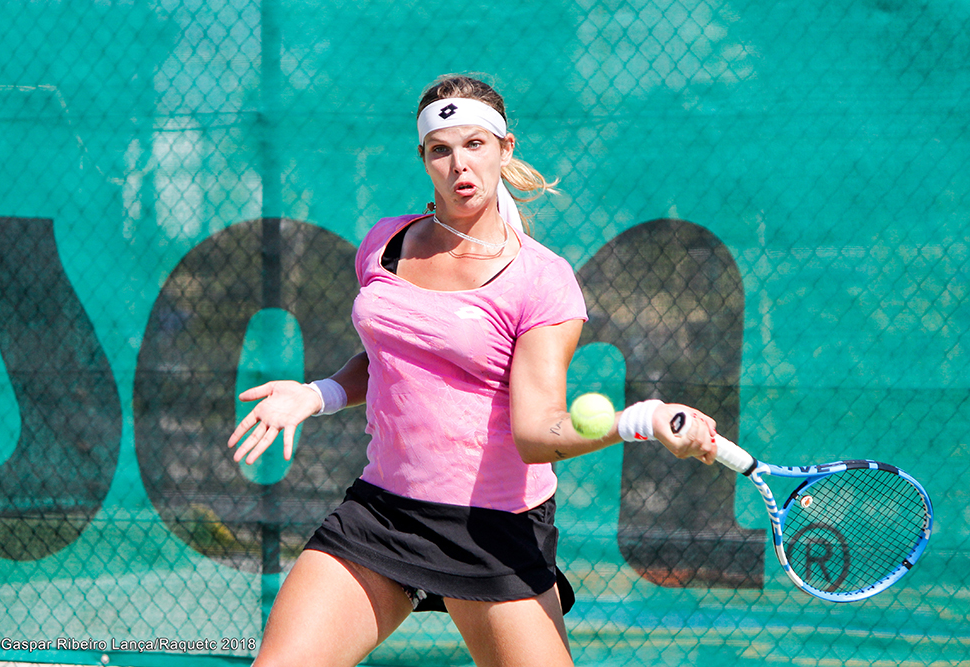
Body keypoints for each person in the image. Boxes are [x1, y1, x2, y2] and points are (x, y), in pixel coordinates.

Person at [227, 74, 719, 667]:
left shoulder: (542, 280)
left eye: (475, 144)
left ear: (505, 149)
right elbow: (393, 358)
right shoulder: (384, 243)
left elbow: (536, 434)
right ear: (424, 158)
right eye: (441, 149)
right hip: (383, 512)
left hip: (492, 530)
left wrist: (640, 420)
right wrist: (319, 394)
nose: (459, 164)